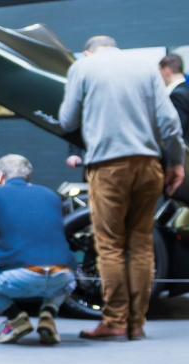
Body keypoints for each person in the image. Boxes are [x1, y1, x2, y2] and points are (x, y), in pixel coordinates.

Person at [58, 35, 186, 341]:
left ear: (89, 50)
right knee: (140, 244)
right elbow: (170, 123)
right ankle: (136, 323)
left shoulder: (84, 66)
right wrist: (176, 164)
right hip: (149, 165)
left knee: (110, 245)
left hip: (109, 167)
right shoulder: (145, 68)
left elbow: (66, 120)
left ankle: (115, 320)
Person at [0, 155, 76, 345]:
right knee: (60, 265)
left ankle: (15, 318)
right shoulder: (52, 195)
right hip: (63, 276)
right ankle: (48, 315)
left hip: (20, 278)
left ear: (0, 176)